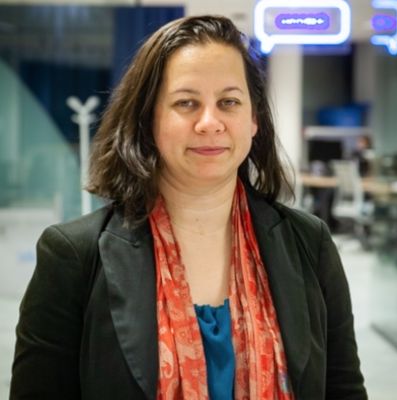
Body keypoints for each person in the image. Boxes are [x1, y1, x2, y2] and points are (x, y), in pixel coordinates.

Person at [10, 15, 367, 400]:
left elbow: (343, 389)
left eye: (229, 102)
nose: (209, 123)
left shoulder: (310, 243)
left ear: (253, 120)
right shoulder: (74, 256)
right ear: (148, 120)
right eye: (186, 103)